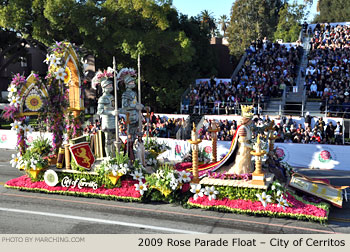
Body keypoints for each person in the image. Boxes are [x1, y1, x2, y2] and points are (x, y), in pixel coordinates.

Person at [226, 105, 255, 175]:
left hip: (247, 150)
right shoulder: (243, 128)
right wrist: (253, 146)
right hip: (243, 150)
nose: (252, 121)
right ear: (247, 120)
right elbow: (242, 143)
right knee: (242, 166)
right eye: (250, 119)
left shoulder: (247, 127)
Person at [96, 79, 116, 157]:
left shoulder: (112, 97)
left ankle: (114, 155)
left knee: (115, 140)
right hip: (107, 122)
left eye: (111, 85)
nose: (111, 87)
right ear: (104, 87)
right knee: (108, 141)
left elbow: (114, 107)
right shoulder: (102, 98)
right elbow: (100, 111)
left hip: (114, 121)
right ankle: (109, 157)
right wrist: (111, 112)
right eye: (109, 85)